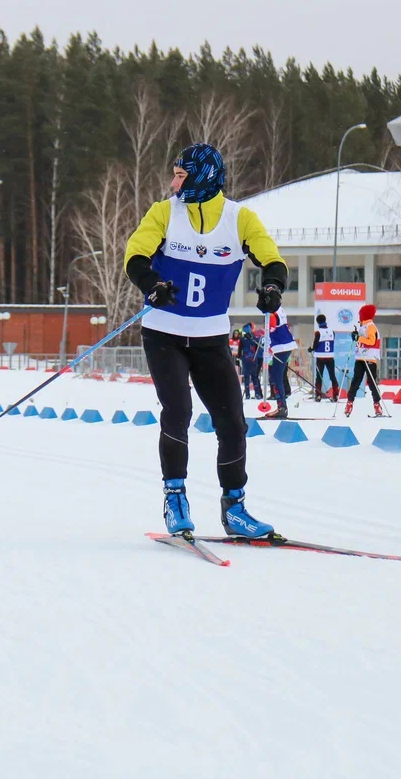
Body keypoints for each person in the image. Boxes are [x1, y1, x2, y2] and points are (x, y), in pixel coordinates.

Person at [124, 142, 286, 539]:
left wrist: (272, 287)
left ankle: (235, 509)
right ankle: (175, 497)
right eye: (175, 174)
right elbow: (136, 255)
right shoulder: (164, 213)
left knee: (232, 421)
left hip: (210, 338)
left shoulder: (239, 218)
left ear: (202, 177)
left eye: (180, 175)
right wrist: (152, 285)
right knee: (177, 410)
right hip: (164, 334)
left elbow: (271, 257)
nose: (173, 182)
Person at [344, 304, 382, 418]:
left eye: (361, 315)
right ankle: (349, 403)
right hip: (360, 358)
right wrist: (355, 336)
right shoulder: (362, 326)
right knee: (356, 381)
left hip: (369, 358)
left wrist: (358, 338)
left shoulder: (371, 326)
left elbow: (371, 341)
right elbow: (360, 340)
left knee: (371, 382)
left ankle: (377, 404)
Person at [263, 307, 297, 419]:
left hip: (280, 346)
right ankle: (281, 405)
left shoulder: (272, 314)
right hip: (286, 343)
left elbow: (270, 330)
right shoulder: (280, 310)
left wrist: (268, 346)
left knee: (276, 377)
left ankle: (281, 407)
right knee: (276, 376)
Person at [309, 313, 338, 402]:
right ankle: (335, 395)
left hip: (320, 358)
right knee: (332, 376)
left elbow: (315, 345)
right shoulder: (332, 332)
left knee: (319, 377)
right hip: (330, 357)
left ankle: (318, 395)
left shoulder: (318, 332)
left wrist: (310, 349)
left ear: (318, 322)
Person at [238, 323, 262, 399]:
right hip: (248, 358)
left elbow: (257, 346)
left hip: (252, 358)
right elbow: (240, 348)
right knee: (249, 376)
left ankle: (256, 393)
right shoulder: (244, 339)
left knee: (252, 376)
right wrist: (239, 357)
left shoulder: (253, 338)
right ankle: (250, 393)